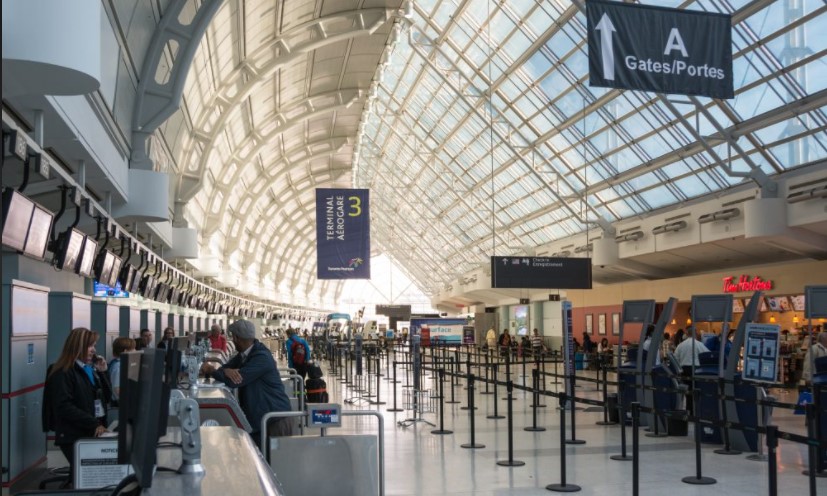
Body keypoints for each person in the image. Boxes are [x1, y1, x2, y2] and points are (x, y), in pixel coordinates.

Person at [200, 319, 293, 449]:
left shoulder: (261, 357)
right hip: (259, 418)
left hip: (274, 420)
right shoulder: (244, 355)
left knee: (274, 464)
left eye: (233, 337)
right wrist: (225, 370)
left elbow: (235, 380)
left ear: (237, 338)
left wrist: (211, 370)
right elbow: (224, 368)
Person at [43, 328, 112, 484]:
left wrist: (103, 373)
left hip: (91, 430)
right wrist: (93, 423)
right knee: (85, 477)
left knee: (90, 476)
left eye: (94, 345)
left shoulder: (89, 369)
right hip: (73, 434)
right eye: (90, 346)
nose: (94, 350)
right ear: (77, 346)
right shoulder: (63, 372)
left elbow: (106, 398)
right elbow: (63, 406)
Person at [109, 336, 136, 404]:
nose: (135, 351)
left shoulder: (116, 363)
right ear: (125, 351)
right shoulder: (119, 366)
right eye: (133, 349)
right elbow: (116, 389)